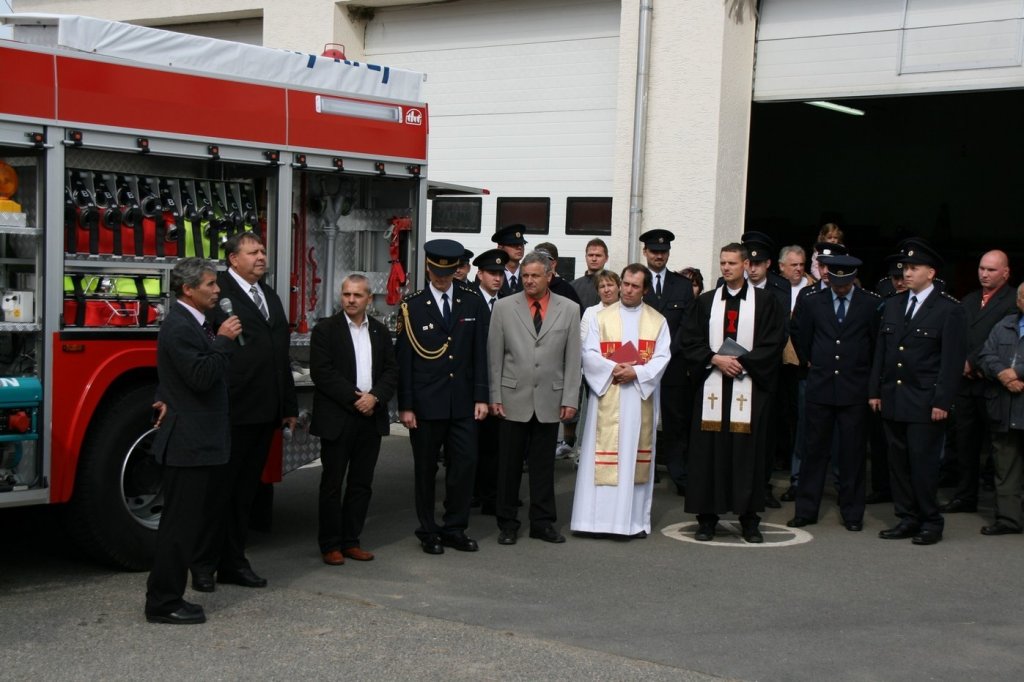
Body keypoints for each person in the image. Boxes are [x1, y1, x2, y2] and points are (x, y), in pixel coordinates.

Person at [191, 231, 296, 593]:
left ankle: (233, 563)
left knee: (244, 494)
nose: (261, 257)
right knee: (218, 493)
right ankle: (202, 564)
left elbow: (279, 353)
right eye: (252, 252)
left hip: (264, 412)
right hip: (231, 411)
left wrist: (287, 405)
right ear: (233, 259)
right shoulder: (216, 294)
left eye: (262, 251)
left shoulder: (268, 295)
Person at [146, 258, 241, 625]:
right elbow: (200, 376)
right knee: (178, 526)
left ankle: (167, 596)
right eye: (210, 284)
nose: (217, 290)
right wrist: (224, 342)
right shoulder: (180, 327)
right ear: (188, 289)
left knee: (187, 524)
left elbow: (175, 377)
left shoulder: (198, 322)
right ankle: (163, 601)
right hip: (187, 443)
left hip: (200, 440)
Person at [681, 243, 785, 542]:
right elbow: (690, 340)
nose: (726, 268)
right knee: (708, 453)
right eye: (723, 263)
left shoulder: (766, 302)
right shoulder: (706, 302)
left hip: (749, 388)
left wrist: (742, 363)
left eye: (732, 263)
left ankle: (749, 519)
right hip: (712, 387)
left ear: (746, 265)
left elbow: (774, 341)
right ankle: (707, 519)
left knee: (747, 454)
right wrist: (715, 359)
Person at [396, 239, 490, 555]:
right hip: (426, 404)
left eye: (447, 273)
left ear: (456, 271)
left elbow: (480, 353)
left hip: (462, 402)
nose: (441, 278)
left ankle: (455, 528)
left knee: (464, 465)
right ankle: (428, 530)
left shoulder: (471, 301)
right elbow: (405, 360)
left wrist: (481, 397)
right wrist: (406, 405)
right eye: (437, 272)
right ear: (428, 268)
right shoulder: (411, 305)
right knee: (425, 470)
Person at [870, 239, 967, 545]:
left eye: (914, 268)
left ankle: (930, 520)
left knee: (922, 464)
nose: (907, 273)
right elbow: (882, 351)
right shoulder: (894, 304)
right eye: (905, 268)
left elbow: (951, 361)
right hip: (894, 396)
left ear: (931, 272)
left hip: (925, 400)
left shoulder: (948, 309)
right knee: (897, 463)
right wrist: (875, 390)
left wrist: (943, 401)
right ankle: (907, 517)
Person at [489, 250, 582, 545]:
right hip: (512, 397)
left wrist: (570, 398)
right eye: (525, 276)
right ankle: (507, 523)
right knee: (509, 466)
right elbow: (494, 357)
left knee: (543, 467)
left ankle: (542, 523)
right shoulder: (504, 307)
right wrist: (494, 395)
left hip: (550, 399)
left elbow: (573, 358)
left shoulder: (569, 309)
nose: (528, 281)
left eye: (535, 276)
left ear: (549, 276)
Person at [571, 264, 670, 536]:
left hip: (638, 399)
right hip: (607, 394)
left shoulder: (657, 321)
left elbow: (662, 358)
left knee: (632, 460)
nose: (627, 290)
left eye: (634, 286)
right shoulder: (600, 317)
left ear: (645, 290)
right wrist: (614, 369)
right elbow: (588, 353)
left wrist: (636, 372)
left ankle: (631, 523)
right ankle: (593, 522)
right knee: (600, 457)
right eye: (625, 283)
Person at [310, 274, 398, 566]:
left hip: (370, 418)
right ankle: (330, 544)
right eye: (346, 294)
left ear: (369, 299)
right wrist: (356, 399)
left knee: (362, 483)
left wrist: (375, 398)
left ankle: (351, 541)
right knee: (332, 484)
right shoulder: (325, 330)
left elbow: (391, 371)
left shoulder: (379, 332)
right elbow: (322, 373)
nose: (350, 300)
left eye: (357, 295)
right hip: (339, 417)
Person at [788, 255, 879, 531]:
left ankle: (852, 513)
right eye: (835, 283)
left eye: (844, 283)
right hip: (821, 385)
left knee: (852, 454)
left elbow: (875, 343)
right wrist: (810, 361)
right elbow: (800, 333)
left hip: (854, 389)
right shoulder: (813, 301)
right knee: (814, 451)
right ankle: (806, 510)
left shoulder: (870, 303)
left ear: (853, 278)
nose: (839, 288)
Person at [942, 250, 1015, 514]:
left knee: (1000, 447)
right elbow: (957, 334)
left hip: (993, 383)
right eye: (982, 268)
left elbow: (997, 340)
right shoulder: (969, 299)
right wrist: (960, 362)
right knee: (965, 443)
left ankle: (1004, 504)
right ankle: (965, 496)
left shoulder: (1013, 300)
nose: (984, 274)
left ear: (1005, 273)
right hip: (966, 384)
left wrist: (972, 362)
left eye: (991, 270)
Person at [639, 229, 695, 497]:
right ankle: (643, 471)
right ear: (645, 252)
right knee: (641, 421)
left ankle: (679, 474)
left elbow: (687, 325)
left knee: (675, 423)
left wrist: (665, 354)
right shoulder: (636, 282)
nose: (658, 256)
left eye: (663, 252)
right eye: (654, 251)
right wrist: (649, 358)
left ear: (668, 253)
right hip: (642, 365)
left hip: (673, 365)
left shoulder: (682, 285)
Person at [741, 231, 790, 508]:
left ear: (768, 264)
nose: (752, 269)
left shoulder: (780, 289)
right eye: (749, 263)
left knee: (765, 432)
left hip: (765, 371)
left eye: (758, 263)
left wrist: (755, 360)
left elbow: (779, 332)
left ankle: (763, 485)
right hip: (734, 369)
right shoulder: (728, 285)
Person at [976, 283, 1024, 535]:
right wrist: (1003, 374)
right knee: (1005, 467)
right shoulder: (1004, 325)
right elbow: (985, 355)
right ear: (1018, 300)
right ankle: (1008, 520)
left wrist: (1017, 373)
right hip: (1004, 407)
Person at [471, 248, 510, 515]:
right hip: (473, 383)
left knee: (495, 445)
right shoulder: (469, 301)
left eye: (500, 274)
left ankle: (491, 496)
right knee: (470, 445)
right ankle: (471, 492)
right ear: (480, 274)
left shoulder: (507, 303)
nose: (497, 279)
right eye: (492, 273)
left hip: (500, 383)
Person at [777, 245, 815, 501]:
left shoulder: (811, 290)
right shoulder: (776, 289)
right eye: (793, 265)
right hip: (777, 362)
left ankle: (797, 471)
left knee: (799, 416)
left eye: (802, 264)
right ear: (782, 267)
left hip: (801, 364)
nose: (799, 269)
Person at [571, 238, 610, 310]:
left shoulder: (613, 286)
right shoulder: (573, 286)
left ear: (606, 258)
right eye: (590, 255)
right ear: (585, 257)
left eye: (598, 255)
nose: (594, 259)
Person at [493, 224, 527, 296]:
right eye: (513, 244)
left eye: (522, 244)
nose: (519, 248)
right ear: (500, 248)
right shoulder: (491, 274)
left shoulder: (528, 273)